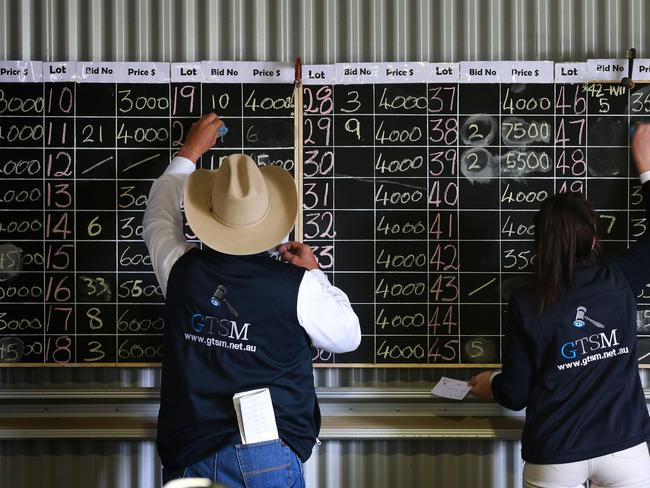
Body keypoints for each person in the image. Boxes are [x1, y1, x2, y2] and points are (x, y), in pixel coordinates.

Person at [143, 113, 361, 487]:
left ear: (206, 215)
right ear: (270, 221)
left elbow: (157, 217)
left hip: (188, 453)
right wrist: (314, 273)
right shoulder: (298, 287)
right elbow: (348, 336)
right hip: (265, 455)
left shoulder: (181, 271)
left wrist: (188, 154)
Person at [469, 124, 650, 488]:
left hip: (555, 452)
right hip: (624, 449)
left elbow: (516, 394)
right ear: (595, 238)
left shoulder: (526, 301)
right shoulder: (619, 280)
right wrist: (646, 167)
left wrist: (491, 383)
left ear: (540, 244)